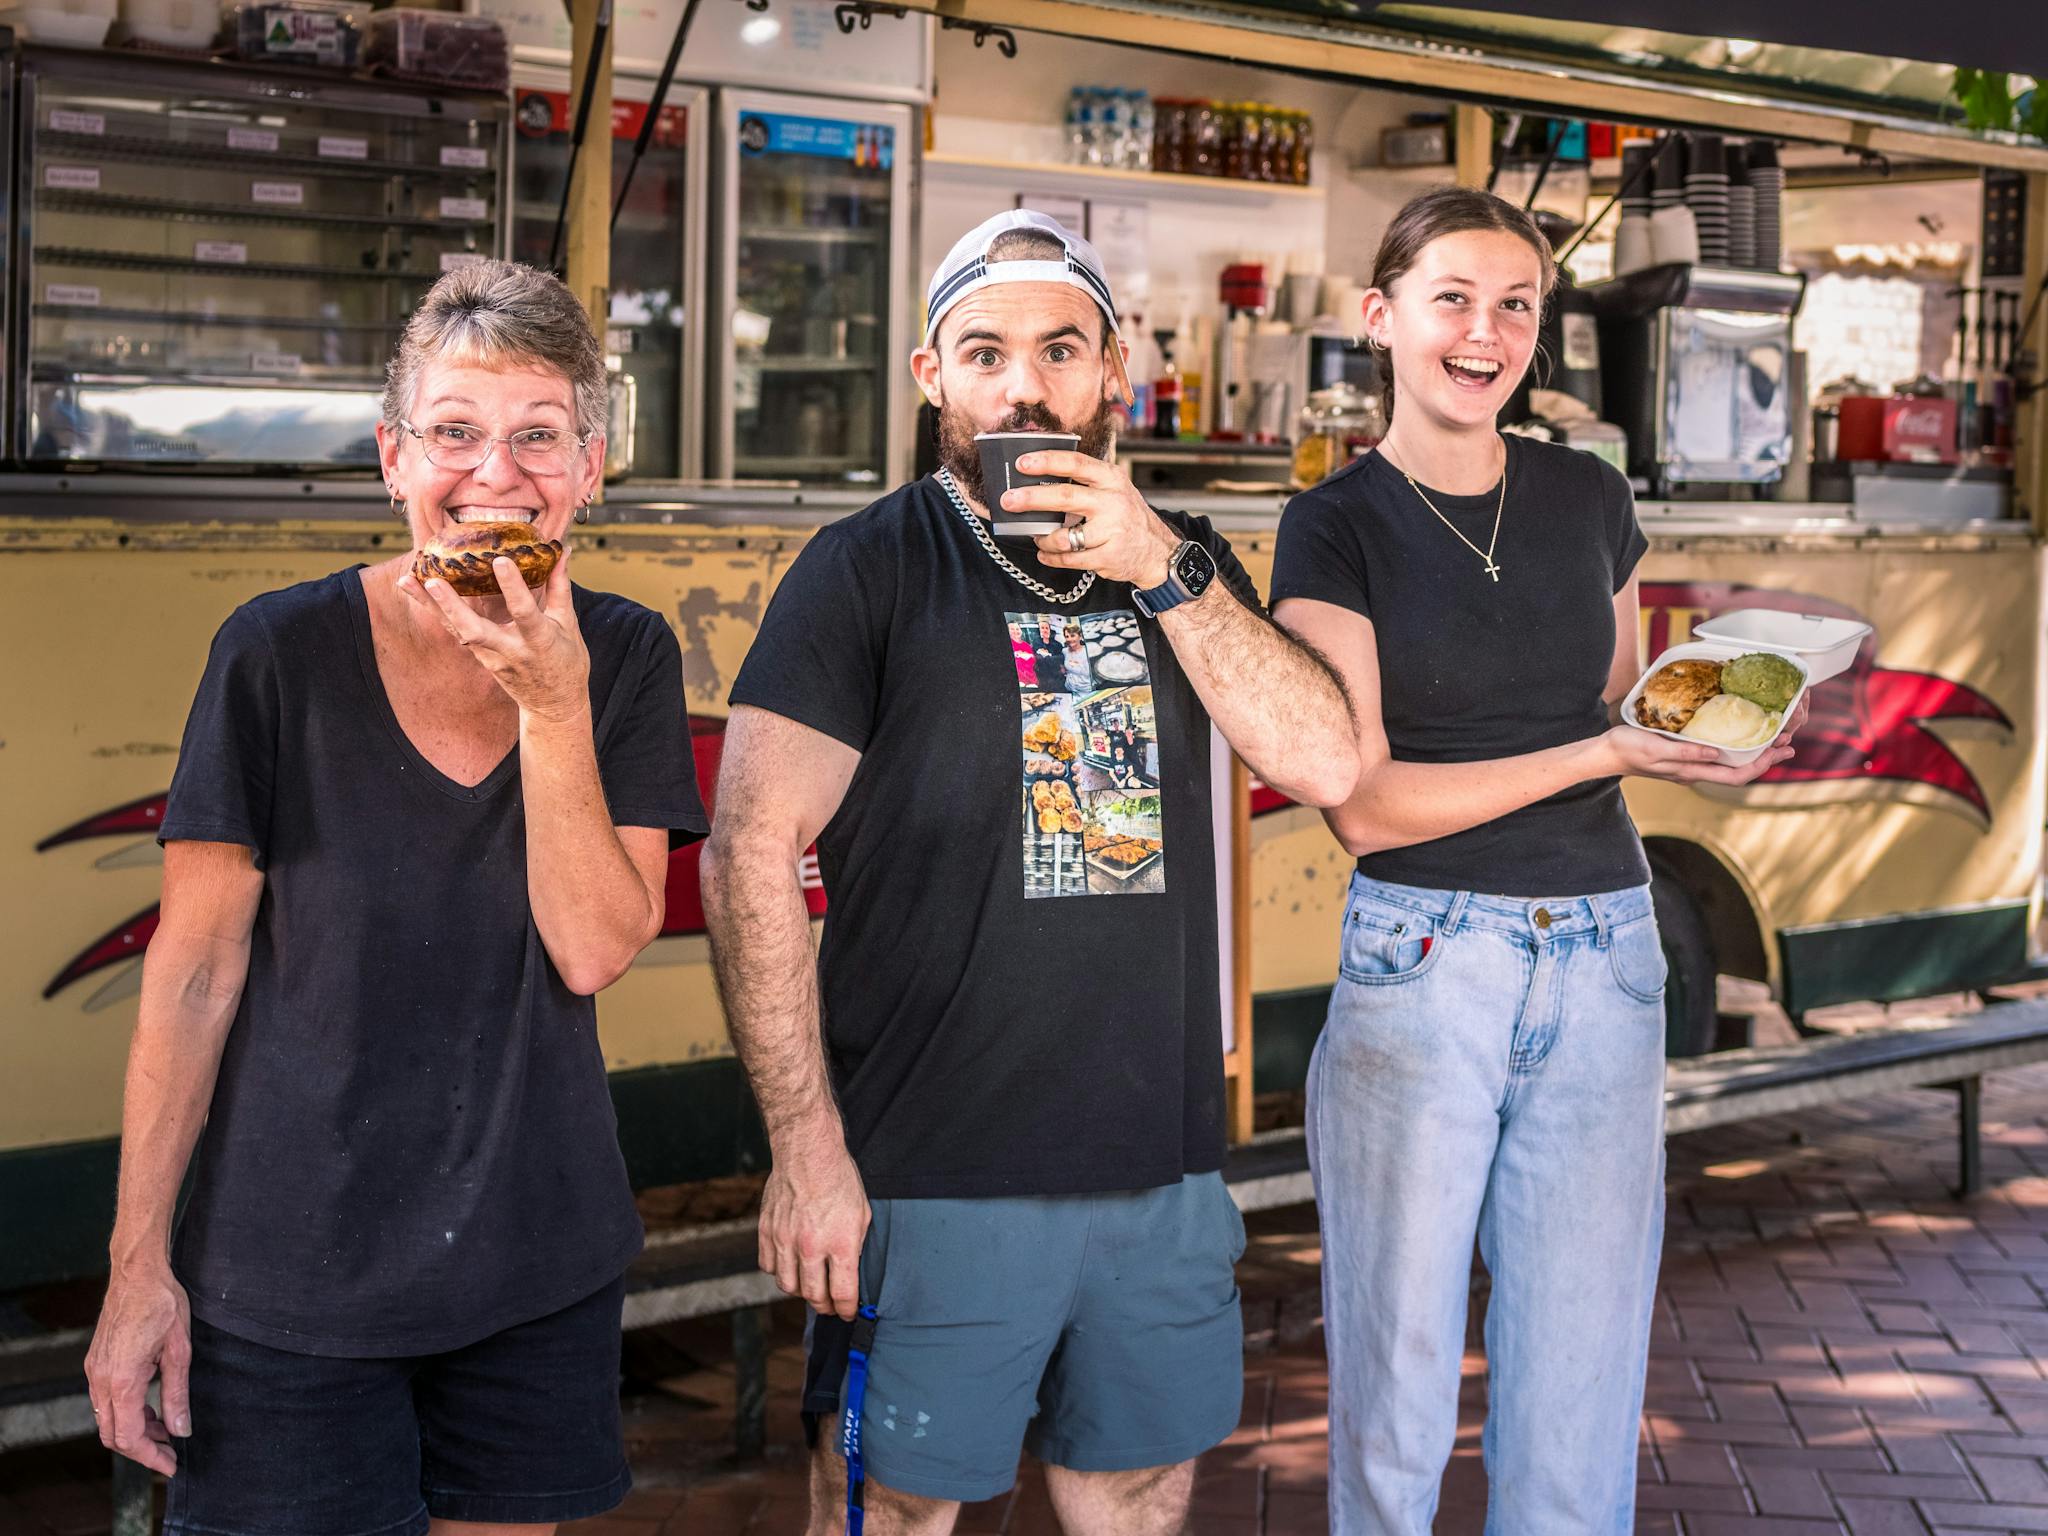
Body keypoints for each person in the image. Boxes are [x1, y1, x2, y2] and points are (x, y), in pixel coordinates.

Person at [700, 208, 1360, 1536]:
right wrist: (806, 1150)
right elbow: (748, 851)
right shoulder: (866, 570)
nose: (1026, 385)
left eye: (1064, 349)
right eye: (985, 351)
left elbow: (1329, 761)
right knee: (900, 1510)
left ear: (1115, 373)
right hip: (932, 1173)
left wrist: (1163, 568)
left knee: (1133, 1490)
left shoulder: (1183, 568)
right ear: (932, 378)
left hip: (1161, 1166)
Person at [82, 260, 707, 1536]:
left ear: (590, 468)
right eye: (455, 434)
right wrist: (135, 1265)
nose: (495, 476)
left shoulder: (625, 655)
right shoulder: (277, 653)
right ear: (391, 457)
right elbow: (195, 974)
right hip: (287, 1271)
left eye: (538, 437)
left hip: (532, 1257)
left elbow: (593, 946)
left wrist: (548, 696)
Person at [1268, 186, 1806, 1534]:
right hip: (1424, 960)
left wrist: (1711, 724)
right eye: (1453, 297)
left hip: (1606, 953)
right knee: (1393, 1381)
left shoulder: (1588, 494)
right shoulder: (1333, 526)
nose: (1486, 331)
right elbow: (1365, 807)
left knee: (1579, 1381)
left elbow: (1625, 701)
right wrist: (1604, 759)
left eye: (1517, 304)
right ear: (1380, 317)